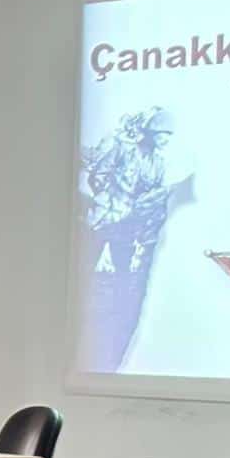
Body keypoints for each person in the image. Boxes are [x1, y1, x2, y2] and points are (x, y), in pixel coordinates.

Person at [78, 107, 179, 372]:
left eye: (169, 135)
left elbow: (152, 192)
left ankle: (116, 321)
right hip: (103, 219)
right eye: (162, 133)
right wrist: (109, 199)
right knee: (84, 270)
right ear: (151, 131)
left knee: (124, 276)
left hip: (127, 226)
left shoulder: (158, 163)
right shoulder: (121, 146)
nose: (166, 139)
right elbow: (99, 173)